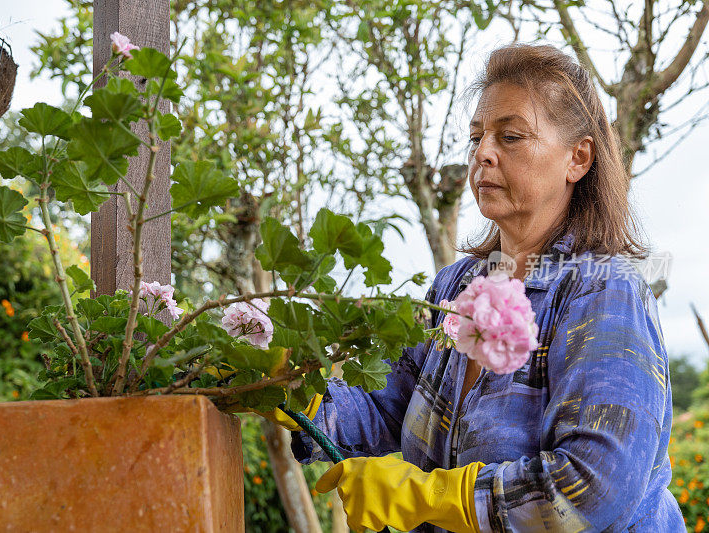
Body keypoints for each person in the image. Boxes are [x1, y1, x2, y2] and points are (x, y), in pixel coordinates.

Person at [264, 43, 685, 532]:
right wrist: (293, 390)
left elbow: (595, 485)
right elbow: (384, 410)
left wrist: (434, 496)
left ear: (578, 158)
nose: (483, 153)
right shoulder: (456, 286)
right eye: (476, 137)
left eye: (510, 137)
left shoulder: (604, 292)